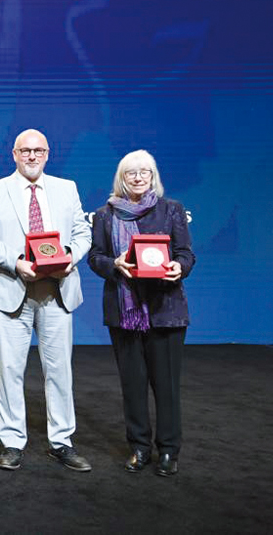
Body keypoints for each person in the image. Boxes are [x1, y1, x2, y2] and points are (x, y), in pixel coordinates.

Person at [0, 129, 92, 472]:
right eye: (25, 151)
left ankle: (62, 441)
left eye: (38, 150)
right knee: (10, 370)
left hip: (57, 290)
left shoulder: (66, 188)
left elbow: (82, 233)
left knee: (59, 371)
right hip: (12, 288)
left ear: (48, 153)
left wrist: (70, 256)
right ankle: (12, 442)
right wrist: (16, 262)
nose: (31, 156)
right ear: (14, 154)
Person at [87, 150, 195, 477]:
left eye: (144, 172)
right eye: (131, 172)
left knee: (166, 386)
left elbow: (185, 253)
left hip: (166, 311)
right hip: (124, 312)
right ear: (121, 177)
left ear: (153, 176)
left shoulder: (171, 210)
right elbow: (95, 257)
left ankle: (168, 451)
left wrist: (180, 267)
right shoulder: (104, 215)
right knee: (132, 385)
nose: (137, 177)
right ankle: (138, 447)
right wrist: (114, 264)